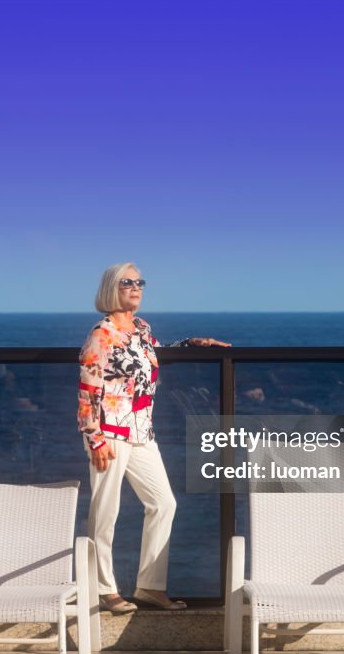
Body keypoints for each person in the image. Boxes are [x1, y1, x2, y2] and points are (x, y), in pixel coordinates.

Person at [78, 262, 230, 614]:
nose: (136, 287)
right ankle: (104, 589)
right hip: (110, 433)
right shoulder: (101, 334)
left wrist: (191, 344)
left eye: (139, 282)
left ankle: (149, 587)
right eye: (127, 282)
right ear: (111, 289)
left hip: (142, 431)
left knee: (163, 503)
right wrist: (94, 437)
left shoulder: (141, 328)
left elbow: (153, 354)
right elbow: (87, 390)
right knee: (106, 512)